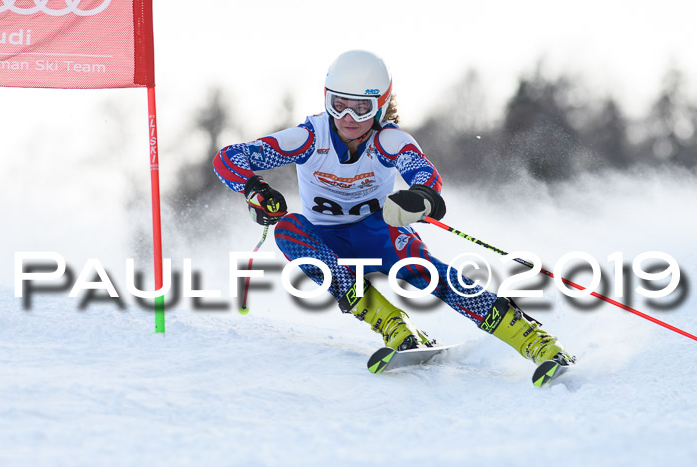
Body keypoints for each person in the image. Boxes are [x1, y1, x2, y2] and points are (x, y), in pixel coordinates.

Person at [213, 50, 574, 367]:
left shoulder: (387, 140)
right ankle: (393, 324)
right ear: (326, 100)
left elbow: (424, 174)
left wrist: (419, 197)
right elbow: (229, 158)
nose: (348, 117)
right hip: (325, 240)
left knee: (426, 274)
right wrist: (254, 189)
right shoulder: (309, 138)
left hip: (378, 232)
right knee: (288, 228)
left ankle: (532, 339)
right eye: (338, 104)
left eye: (361, 107)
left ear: (380, 106)